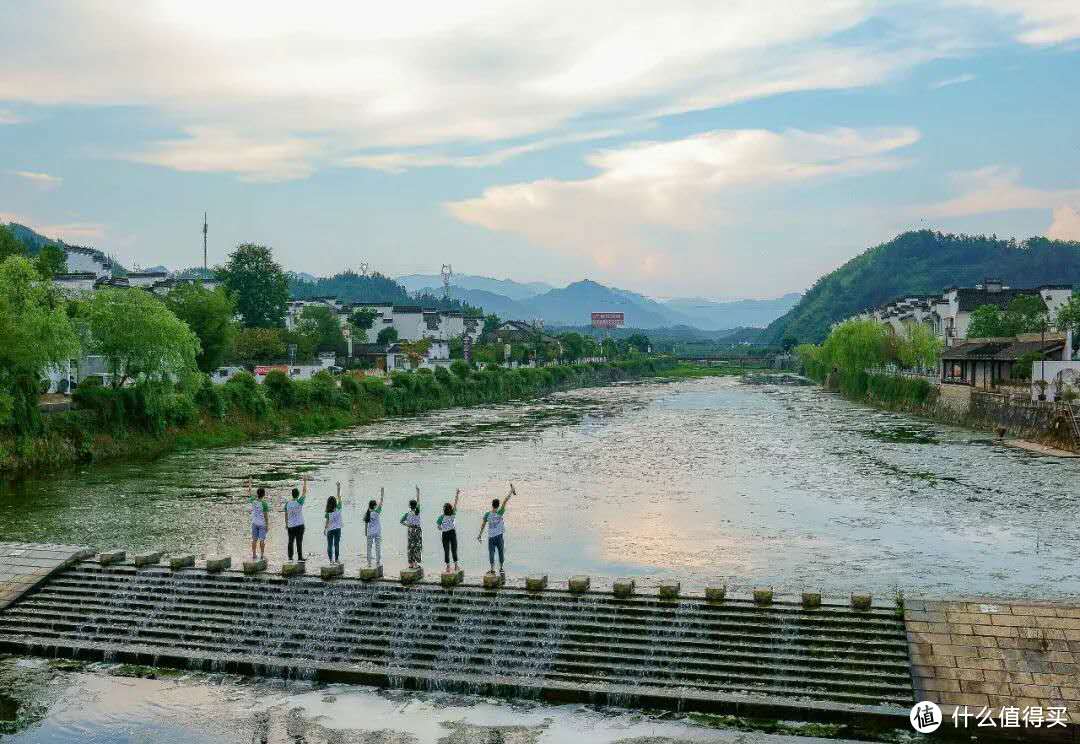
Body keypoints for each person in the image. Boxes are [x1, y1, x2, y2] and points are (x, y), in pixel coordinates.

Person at [477, 483, 515, 575]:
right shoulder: (500, 513)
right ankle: (501, 568)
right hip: (499, 537)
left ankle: (492, 569)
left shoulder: (487, 514)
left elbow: (482, 525)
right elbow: (505, 501)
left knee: (491, 553)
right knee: (501, 552)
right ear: (498, 506)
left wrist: (479, 535)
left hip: (491, 537)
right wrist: (511, 491)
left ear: (492, 505)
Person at [284, 475, 308, 562]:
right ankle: (300, 557)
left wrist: (286, 524)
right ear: (297, 495)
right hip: (299, 525)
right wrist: (305, 481)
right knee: (299, 542)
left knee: (290, 541)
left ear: (292, 494)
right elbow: (304, 492)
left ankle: (290, 558)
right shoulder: (299, 501)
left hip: (290, 525)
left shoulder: (287, 503)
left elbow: (286, 515)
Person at [437, 489, 461, 573]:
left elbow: (438, 527)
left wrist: (442, 528)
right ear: (450, 509)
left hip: (445, 534)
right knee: (454, 549)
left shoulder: (441, 517)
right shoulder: (453, 514)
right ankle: (456, 566)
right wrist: (457, 494)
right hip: (452, 533)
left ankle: (447, 567)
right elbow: (456, 503)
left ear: (444, 510)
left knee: (446, 550)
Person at [399, 485, 422, 569]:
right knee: (417, 546)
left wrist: (407, 525)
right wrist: (418, 492)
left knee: (410, 546)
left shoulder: (407, 514)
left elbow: (401, 521)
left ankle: (411, 563)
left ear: (409, 506)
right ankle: (416, 563)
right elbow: (419, 501)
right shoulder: (417, 512)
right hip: (417, 529)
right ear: (415, 506)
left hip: (410, 530)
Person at [248, 478, 270, 560]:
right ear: (264, 495)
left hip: (254, 523)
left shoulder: (253, 501)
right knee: (262, 540)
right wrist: (267, 526)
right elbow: (266, 516)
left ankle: (254, 555)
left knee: (254, 540)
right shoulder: (264, 504)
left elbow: (249, 492)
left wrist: (250, 483)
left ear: (257, 494)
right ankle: (262, 555)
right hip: (262, 524)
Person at [364, 487, 385, 568]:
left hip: (370, 532)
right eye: (376, 505)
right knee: (377, 547)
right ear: (375, 506)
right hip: (377, 532)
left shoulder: (367, 513)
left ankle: (369, 563)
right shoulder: (377, 512)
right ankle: (378, 561)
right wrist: (382, 493)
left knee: (369, 548)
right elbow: (381, 502)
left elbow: (366, 523)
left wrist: (366, 532)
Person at [324, 483, 343, 564]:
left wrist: (325, 529)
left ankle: (331, 561)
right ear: (335, 502)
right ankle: (337, 559)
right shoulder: (339, 507)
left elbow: (327, 522)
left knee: (329, 545)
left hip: (330, 530)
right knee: (336, 545)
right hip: (338, 529)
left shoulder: (328, 512)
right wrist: (338, 487)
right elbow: (339, 497)